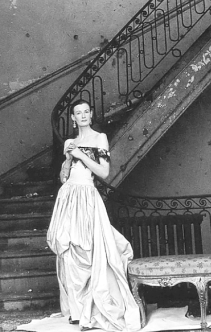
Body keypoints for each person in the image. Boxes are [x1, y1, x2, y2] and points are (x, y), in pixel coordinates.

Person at [47, 99, 141, 332]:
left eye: (86, 112)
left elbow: (104, 172)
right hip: (68, 197)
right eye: (78, 113)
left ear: (91, 114)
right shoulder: (69, 141)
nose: (83, 116)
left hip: (88, 197)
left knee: (89, 249)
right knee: (68, 249)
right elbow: (64, 177)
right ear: (73, 118)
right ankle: (77, 312)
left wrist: (80, 154)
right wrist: (68, 160)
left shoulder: (100, 138)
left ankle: (93, 308)